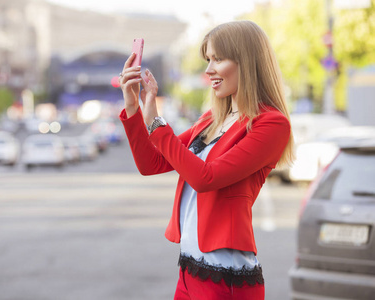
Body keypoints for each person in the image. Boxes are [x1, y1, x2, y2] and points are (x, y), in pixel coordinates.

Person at [118, 20, 294, 300]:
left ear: (247, 62)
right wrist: (134, 107)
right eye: (208, 59)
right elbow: (152, 164)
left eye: (218, 59)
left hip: (226, 278)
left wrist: (156, 123)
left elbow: (205, 177)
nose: (209, 69)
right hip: (189, 269)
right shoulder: (212, 119)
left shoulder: (271, 124)